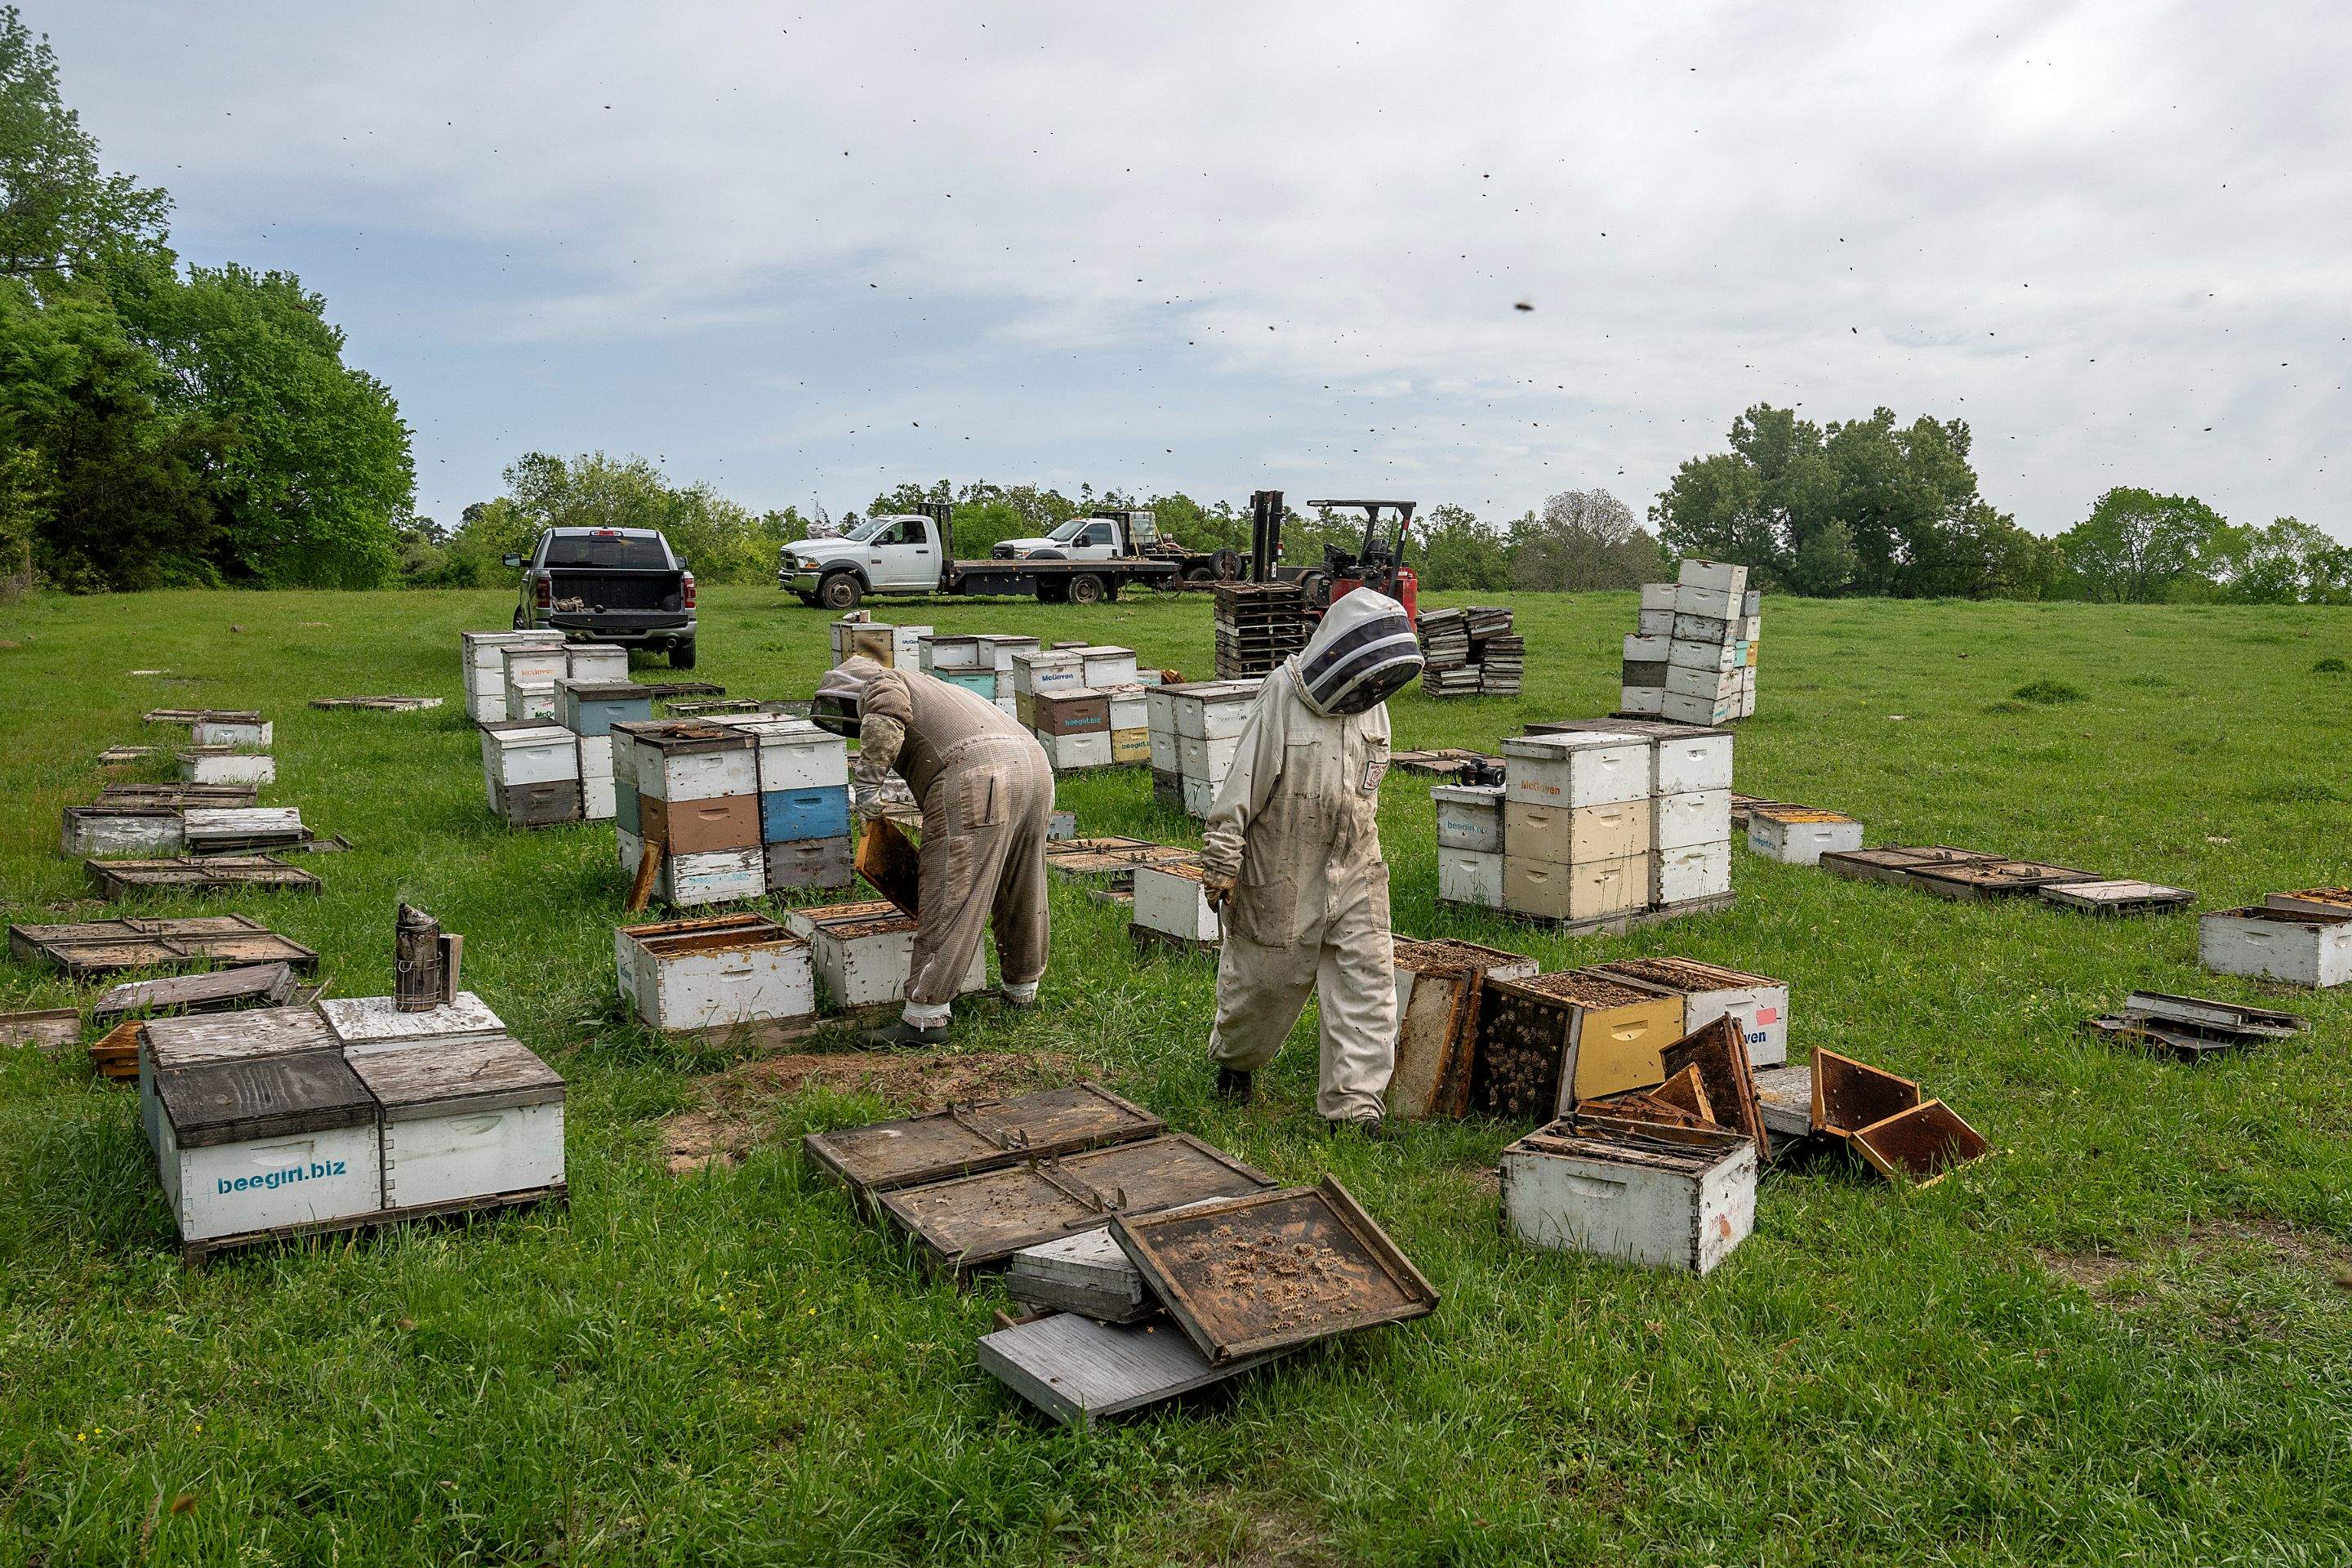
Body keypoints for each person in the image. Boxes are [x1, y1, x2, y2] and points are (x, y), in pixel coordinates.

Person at [1199, 589, 1424, 1135]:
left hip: (1357, 860)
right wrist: (1223, 859)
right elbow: (1241, 786)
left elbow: (1368, 785)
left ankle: (1353, 1108)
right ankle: (1236, 1063)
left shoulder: (1373, 703)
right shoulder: (1281, 694)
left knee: (1368, 983)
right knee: (1265, 983)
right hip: (1282, 860)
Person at [812, 656, 1054, 1047]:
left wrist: (869, 786)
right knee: (1022, 883)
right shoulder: (942, 688)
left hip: (979, 774)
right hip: (1035, 768)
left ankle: (924, 1017)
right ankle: (1022, 988)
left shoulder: (884, 681)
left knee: (951, 887)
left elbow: (886, 710)